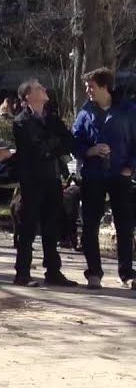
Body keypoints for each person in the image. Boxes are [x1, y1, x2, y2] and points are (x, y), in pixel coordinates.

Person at [72, 67, 136, 289]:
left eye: (91, 86)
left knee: (124, 225)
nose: (88, 91)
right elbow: (75, 141)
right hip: (93, 176)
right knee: (90, 224)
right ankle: (94, 272)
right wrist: (89, 151)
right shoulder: (85, 112)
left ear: (105, 87)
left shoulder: (128, 110)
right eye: (86, 87)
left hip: (120, 175)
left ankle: (127, 273)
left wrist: (130, 167)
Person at [11, 80, 78, 288]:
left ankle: (53, 271)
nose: (44, 90)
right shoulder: (21, 121)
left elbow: (68, 141)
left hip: (53, 178)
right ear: (28, 96)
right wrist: (54, 144)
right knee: (28, 226)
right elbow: (34, 147)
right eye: (39, 88)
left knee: (52, 226)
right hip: (32, 180)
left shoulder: (52, 118)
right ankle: (22, 273)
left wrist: (53, 145)